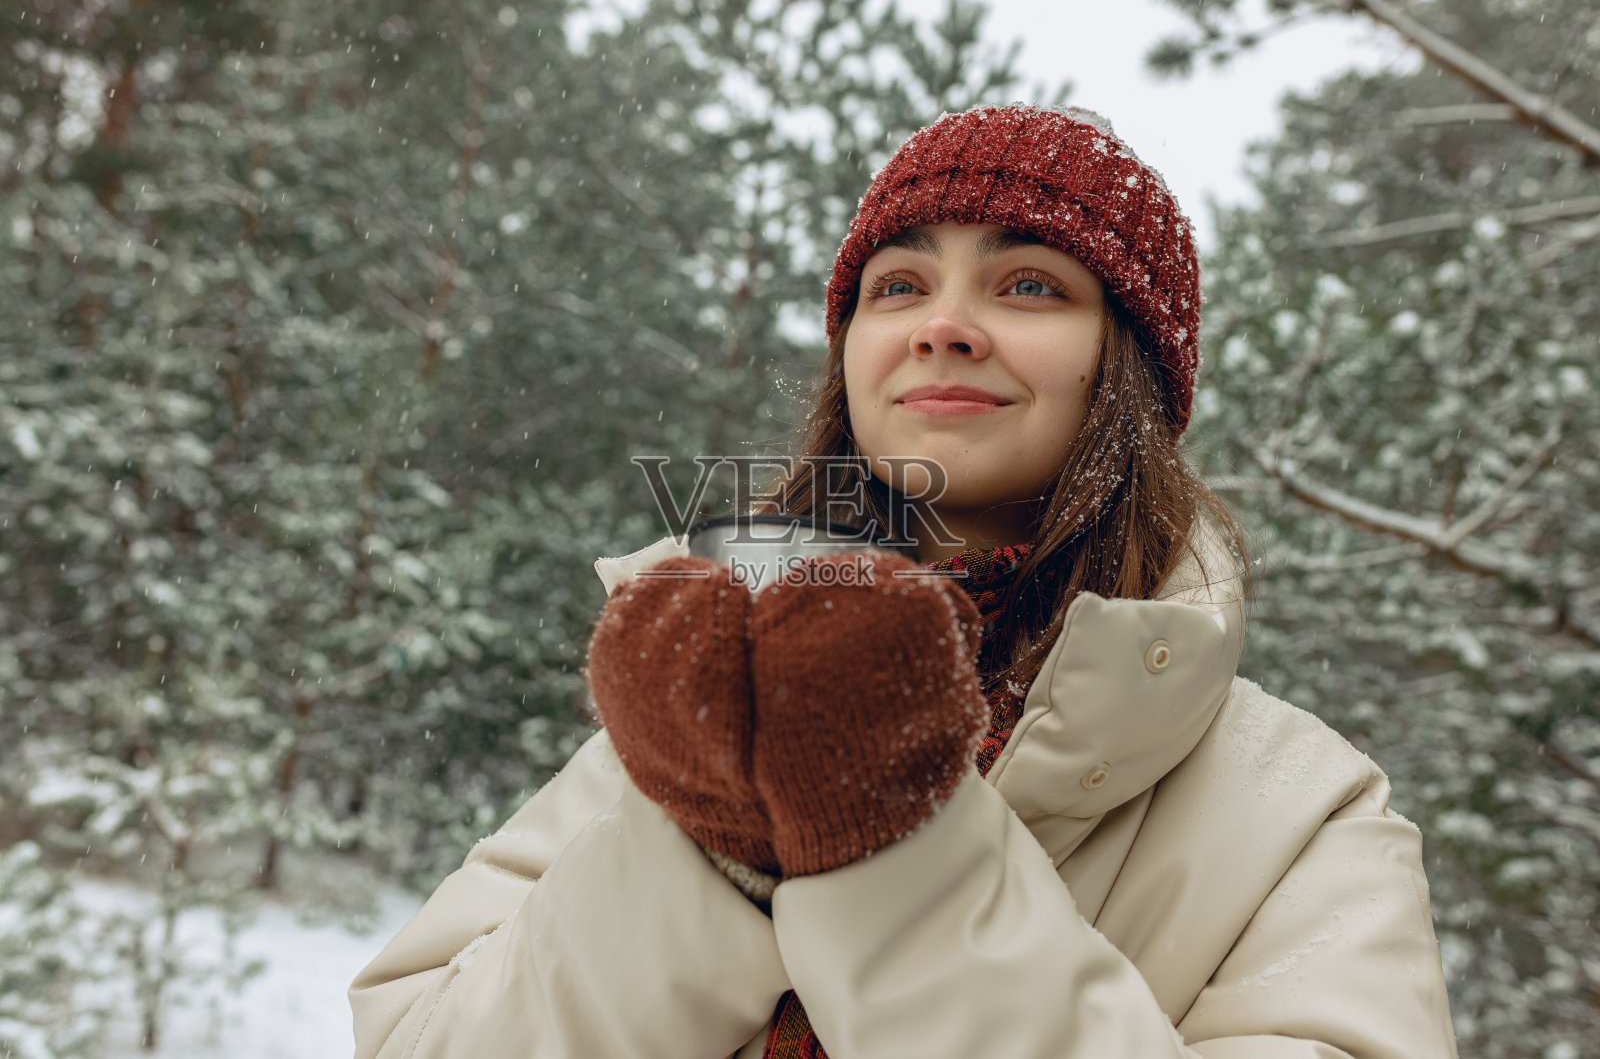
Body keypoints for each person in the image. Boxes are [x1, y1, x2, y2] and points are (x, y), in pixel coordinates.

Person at [349, 105, 1458, 1058]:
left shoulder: (1303, 808)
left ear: (1127, 365)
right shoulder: (698, 695)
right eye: (899, 284)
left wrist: (888, 837)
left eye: (1028, 283)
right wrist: (719, 843)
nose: (943, 325)